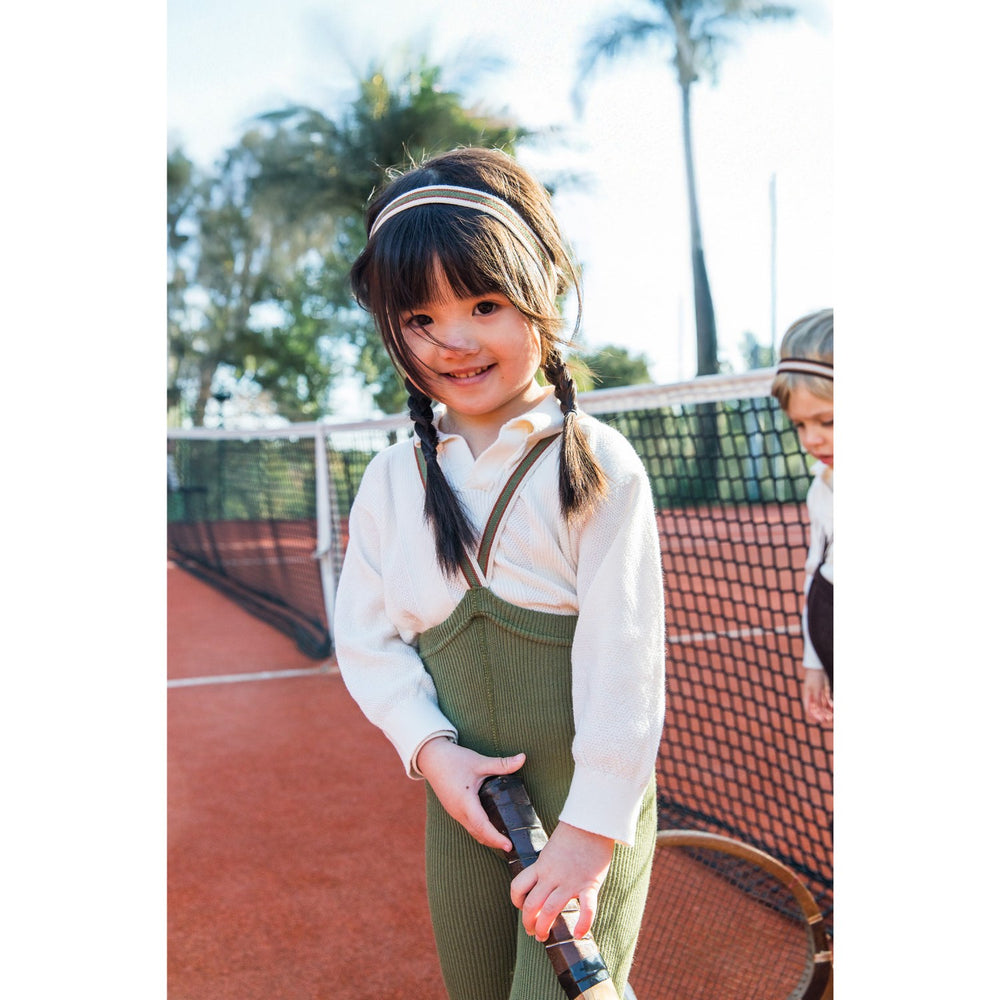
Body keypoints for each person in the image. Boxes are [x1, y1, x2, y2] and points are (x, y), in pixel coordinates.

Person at [333, 147, 665, 1000]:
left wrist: (591, 832)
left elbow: (625, 666)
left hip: (585, 815)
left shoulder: (601, 466)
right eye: (420, 318)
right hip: (464, 813)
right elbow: (366, 639)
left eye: (484, 304)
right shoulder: (389, 480)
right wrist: (431, 750)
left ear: (544, 290)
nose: (455, 340)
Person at [771, 308, 834, 725]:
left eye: (828, 421)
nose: (812, 439)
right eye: (799, 425)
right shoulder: (821, 487)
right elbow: (816, 571)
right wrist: (816, 661)